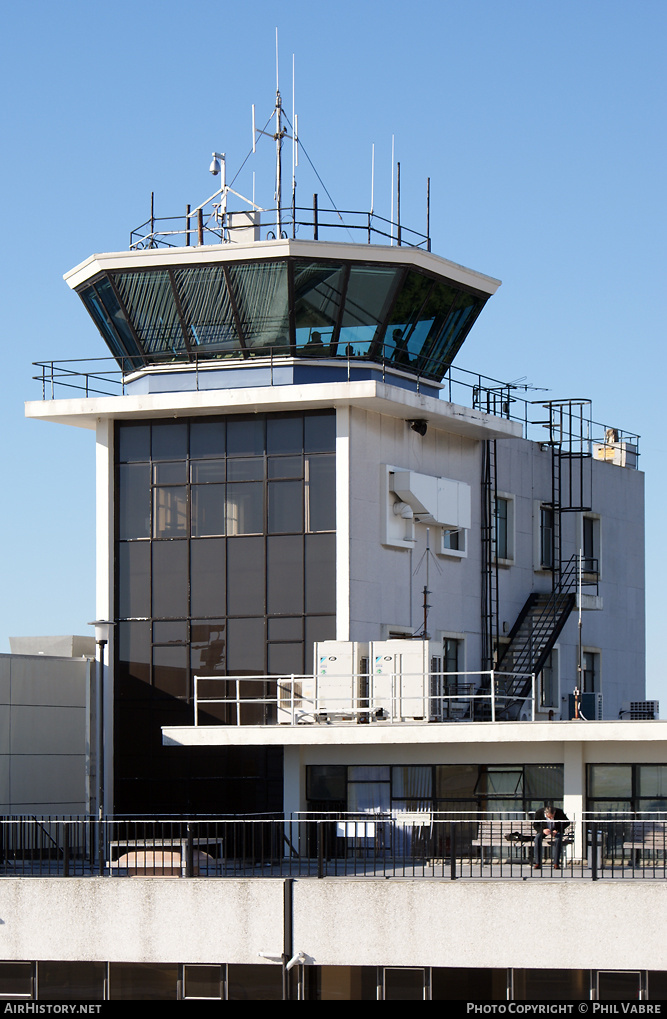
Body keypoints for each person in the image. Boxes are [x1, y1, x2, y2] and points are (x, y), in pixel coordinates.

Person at [533, 803, 568, 869]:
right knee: (537, 838)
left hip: (556, 830)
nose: (551, 818)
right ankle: (538, 863)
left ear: (554, 813)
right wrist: (543, 830)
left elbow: (567, 822)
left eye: (552, 817)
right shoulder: (539, 813)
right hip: (544, 830)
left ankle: (556, 863)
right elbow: (535, 825)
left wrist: (557, 830)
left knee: (558, 839)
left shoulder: (559, 812)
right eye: (549, 817)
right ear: (545, 813)